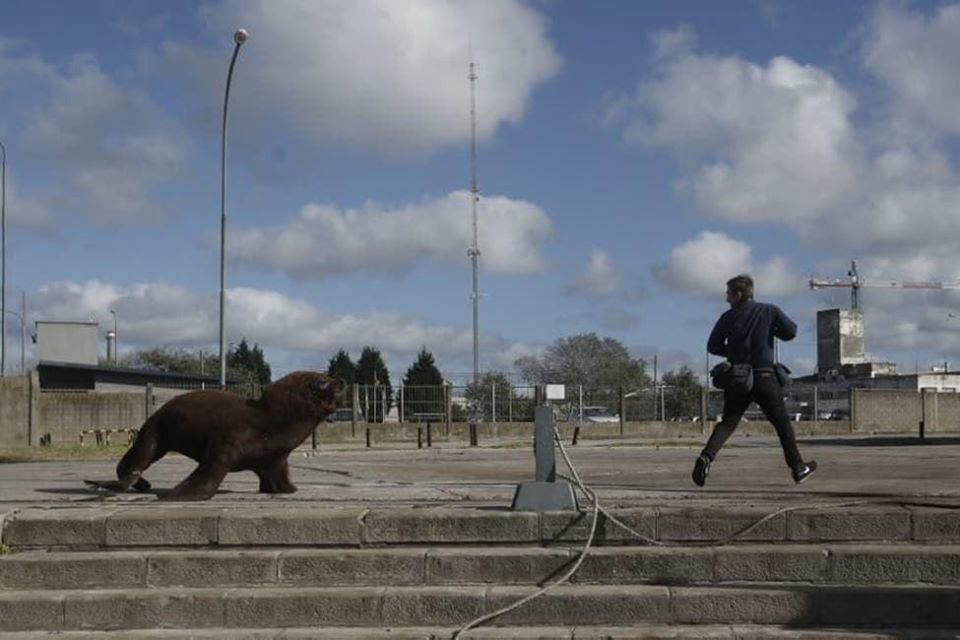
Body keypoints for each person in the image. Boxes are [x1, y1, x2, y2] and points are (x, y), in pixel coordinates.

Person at [693, 274, 816, 487]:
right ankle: (798, 467)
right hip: (764, 376)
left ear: (738, 294)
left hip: (738, 377)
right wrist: (771, 331)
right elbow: (791, 332)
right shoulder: (769, 310)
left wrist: (733, 352)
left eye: (728, 294)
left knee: (729, 422)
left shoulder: (727, 317)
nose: (726, 298)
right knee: (782, 424)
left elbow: (712, 346)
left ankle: (706, 457)